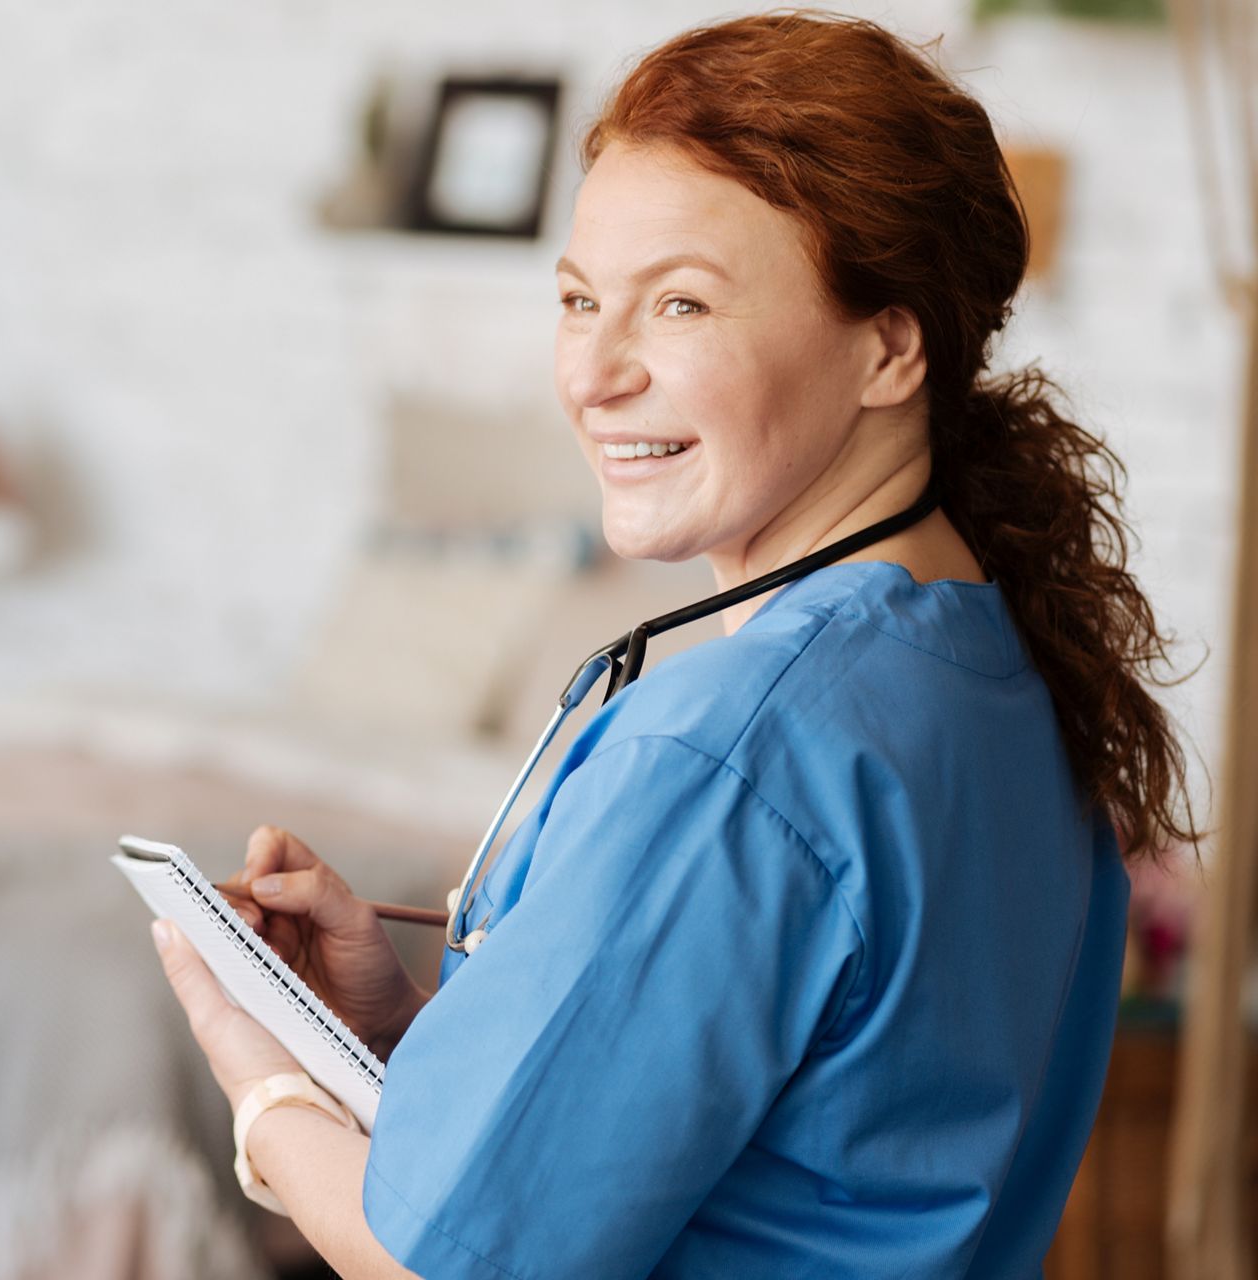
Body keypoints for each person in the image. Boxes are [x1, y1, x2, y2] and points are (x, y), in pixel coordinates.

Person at [152, 13, 1199, 1278]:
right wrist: (408, 1024)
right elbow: (798, 1166)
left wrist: (254, 1071)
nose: (593, 371)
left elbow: (447, 1261)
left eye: (680, 303)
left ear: (887, 346)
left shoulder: (731, 756)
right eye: (580, 299)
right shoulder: (1005, 678)